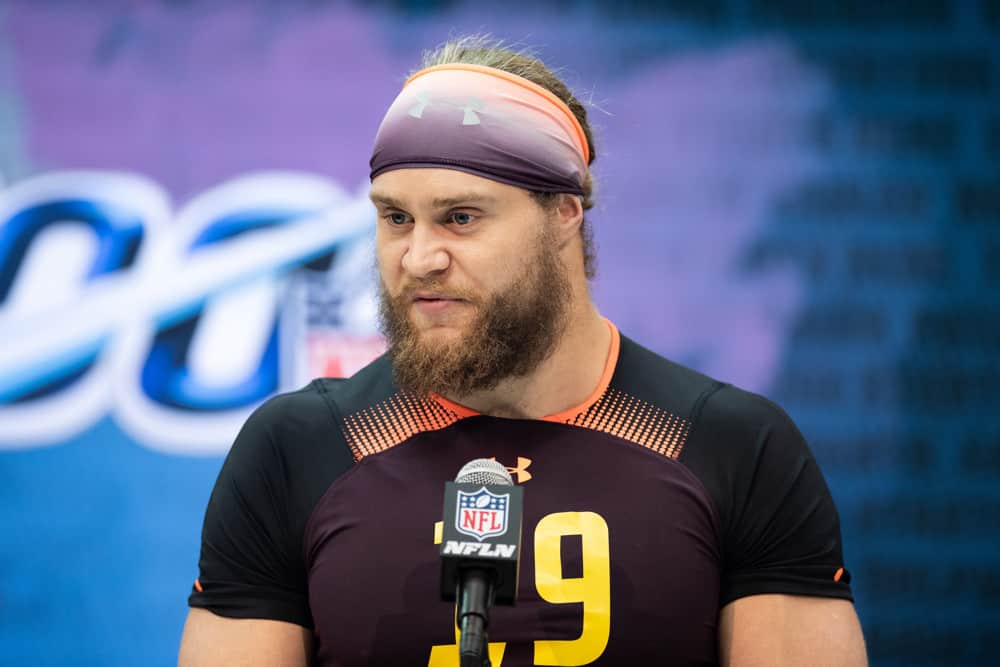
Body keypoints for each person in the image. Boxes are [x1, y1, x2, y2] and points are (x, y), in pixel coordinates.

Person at [178, 36, 867, 666]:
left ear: (565, 212)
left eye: (461, 217)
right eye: (395, 218)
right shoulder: (296, 450)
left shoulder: (735, 449)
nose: (419, 257)